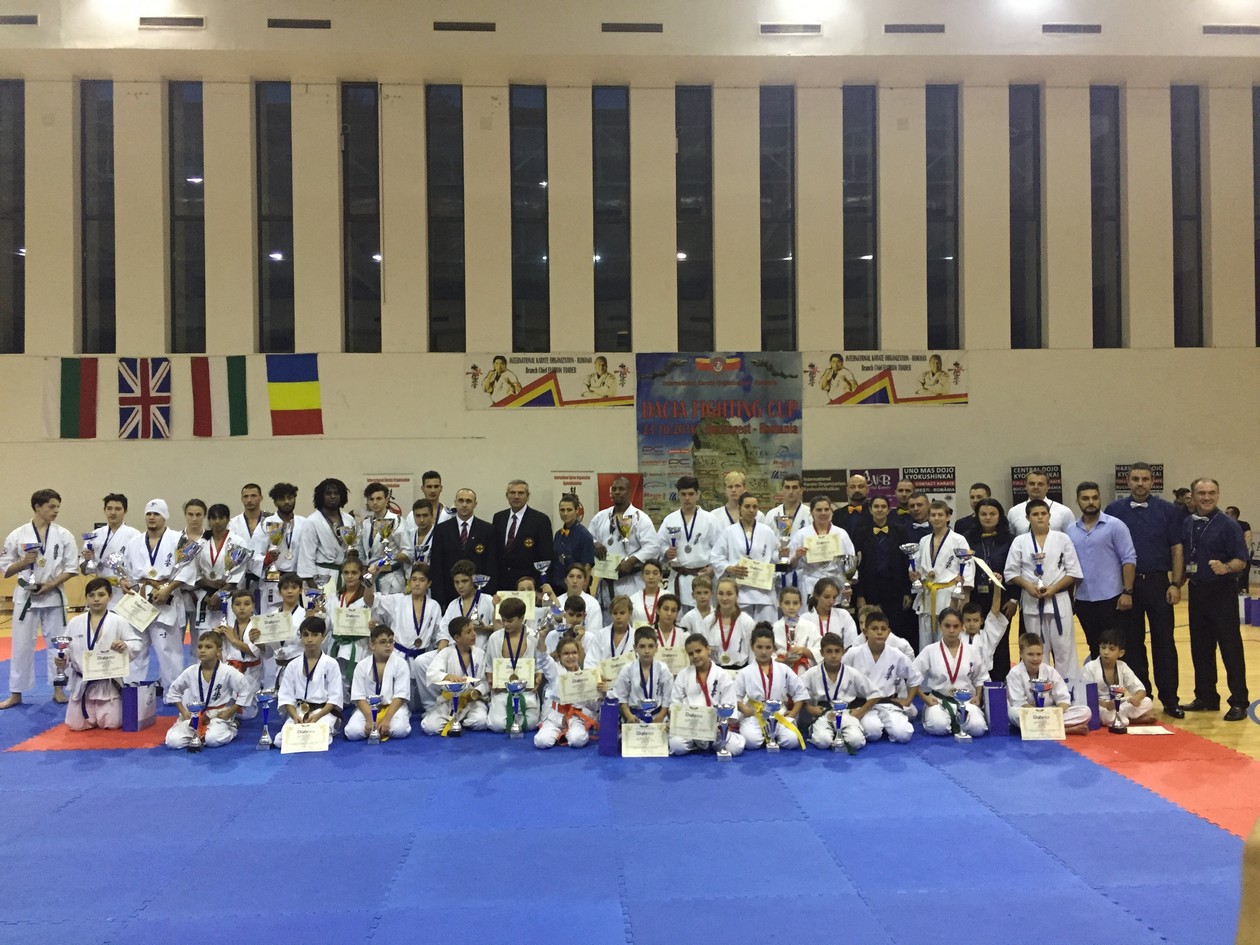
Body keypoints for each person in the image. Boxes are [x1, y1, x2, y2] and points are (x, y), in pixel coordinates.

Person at [1104, 462, 1184, 717]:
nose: (1140, 483)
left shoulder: (1169, 510)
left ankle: (1170, 699)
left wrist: (1175, 583)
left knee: (1164, 642)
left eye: (1145, 479)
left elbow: (1177, 548)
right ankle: (1143, 696)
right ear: (1128, 481)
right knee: (1133, 644)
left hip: (1159, 583)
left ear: (1153, 482)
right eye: (1136, 479)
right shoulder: (1114, 510)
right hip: (1126, 586)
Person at [0, 488, 79, 708]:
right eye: (51, 506)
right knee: (21, 646)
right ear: (37, 507)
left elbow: (72, 568)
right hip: (26, 596)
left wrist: (51, 585)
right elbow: (5, 569)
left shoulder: (64, 535)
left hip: (53, 595)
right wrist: (24, 563)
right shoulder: (17, 535)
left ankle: (58, 689)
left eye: (58, 507)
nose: (56, 511)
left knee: (59, 645)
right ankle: (16, 693)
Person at [1179, 478, 1250, 721]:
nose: (1206, 497)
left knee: (1230, 648)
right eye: (1201, 493)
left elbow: (1242, 559)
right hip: (1197, 592)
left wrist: (1226, 567)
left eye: (1211, 493)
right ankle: (1206, 697)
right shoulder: (1188, 523)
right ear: (1193, 496)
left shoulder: (1229, 525)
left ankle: (1239, 701)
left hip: (1222, 592)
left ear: (1218, 495)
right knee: (1200, 647)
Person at [1004, 499, 1083, 698]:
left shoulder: (1062, 538)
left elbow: (1073, 571)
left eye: (1043, 513)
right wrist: (1028, 586)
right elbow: (1010, 572)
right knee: (1037, 650)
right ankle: (1041, 696)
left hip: (1059, 599)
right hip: (1032, 600)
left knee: (1065, 649)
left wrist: (1054, 588)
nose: (1040, 517)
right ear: (1027, 517)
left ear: (1049, 516)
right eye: (1035, 514)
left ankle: (1068, 695)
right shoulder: (1019, 541)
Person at [121, 498, 195, 697]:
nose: (152, 517)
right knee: (135, 647)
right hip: (139, 600)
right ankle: (132, 692)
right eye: (149, 514)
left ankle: (174, 693)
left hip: (166, 598)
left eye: (156, 514)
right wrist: (123, 582)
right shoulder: (134, 542)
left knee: (169, 652)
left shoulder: (178, 539)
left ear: (165, 517)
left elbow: (188, 569)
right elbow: (126, 570)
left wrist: (168, 589)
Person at [57, 577, 142, 731]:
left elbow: (136, 643)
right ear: (86, 598)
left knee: (112, 724)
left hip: (108, 684)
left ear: (110, 596)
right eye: (91, 595)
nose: (96, 599)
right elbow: (67, 648)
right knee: (76, 726)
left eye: (101, 595)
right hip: (82, 684)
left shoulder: (118, 621)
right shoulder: (75, 622)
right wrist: (63, 658)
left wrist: (125, 645)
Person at [1068, 481, 1137, 661]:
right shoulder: (1070, 531)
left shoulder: (1116, 526)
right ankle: (1099, 680)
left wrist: (1127, 592)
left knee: (1115, 648)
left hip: (1112, 599)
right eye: (1085, 498)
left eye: (1094, 498)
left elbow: (1129, 559)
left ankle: (1118, 680)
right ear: (1077, 501)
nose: (1091, 502)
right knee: (1094, 646)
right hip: (1083, 599)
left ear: (1100, 499)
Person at [841, 611, 920, 743]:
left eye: (883, 629)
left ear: (888, 633)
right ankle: (879, 725)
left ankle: (885, 724)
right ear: (865, 632)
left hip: (888, 702)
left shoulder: (896, 654)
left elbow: (914, 678)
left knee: (903, 734)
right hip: (863, 703)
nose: (879, 632)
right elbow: (840, 676)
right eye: (874, 628)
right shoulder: (853, 653)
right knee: (873, 732)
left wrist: (908, 701)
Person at [165, 630, 249, 749]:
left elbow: (245, 691)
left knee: (212, 740)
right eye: (200, 647)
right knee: (172, 742)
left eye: (208, 647)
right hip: (195, 715)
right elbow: (174, 691)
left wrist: (230, 712)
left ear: (218, 651)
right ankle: (197, 735)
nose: (203, 650)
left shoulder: (228, 672)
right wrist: (183, 711)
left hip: (218, 715)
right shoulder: (190, 672)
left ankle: (232, 727)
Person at [913, 607, 989, 737]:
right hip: (938, 700)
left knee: (978, 728)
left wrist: (977, 696)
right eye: (947, 626)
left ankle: (959, 721)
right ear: (940, 626)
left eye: (955, 626)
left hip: (966, 700)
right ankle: (943, 719)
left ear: (961, 627)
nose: (951, 630)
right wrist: (925, 698)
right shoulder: (930, 650)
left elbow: (980, 677)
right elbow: (912, 677)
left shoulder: (971, 651)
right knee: (938, 727)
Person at [668, 633, 745, 757]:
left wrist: (719, 725)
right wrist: (680, 722)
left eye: (698, 651)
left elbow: (729, 707)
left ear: (708, 649)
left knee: (736, 747)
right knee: (677, 746)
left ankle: (709, 744)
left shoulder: (722, 675)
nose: (695, 656)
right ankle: (698, 744)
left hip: (715, 729)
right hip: (690, 729)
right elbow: (675, 705)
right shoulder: (683, 675)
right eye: (691, 653)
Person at [734, 623, 809, 750]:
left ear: (773, 648)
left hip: (779, 713)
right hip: (755, 714)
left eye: (768, 647)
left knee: (792, 741)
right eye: (759, 647)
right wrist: (745, 710)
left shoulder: (783, 669)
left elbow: (800, 693)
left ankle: (770, 736)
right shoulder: (745, 672)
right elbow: (736, 696)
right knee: (751, 741)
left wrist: (792, 714)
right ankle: (766, 736)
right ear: (752, 647)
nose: (763, 652)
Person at [852, 495, 915, 646]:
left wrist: (907, 591)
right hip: (870, 590)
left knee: (896, 630)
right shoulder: (860, 533)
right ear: (870, 510)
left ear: (888, 510)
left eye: (883, 507)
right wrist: (859, 595)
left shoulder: (900, 532)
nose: (879, 510)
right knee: (870, 629)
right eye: (876, 506)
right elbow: (856, 566)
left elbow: (907, 563)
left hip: (895, 591)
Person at [912, 500, 973, 652]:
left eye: (940, 515)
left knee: (947, 639)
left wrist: (965, 598)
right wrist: (914, 574)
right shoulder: (924, 541)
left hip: (948, 595)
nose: (937, 518)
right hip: (927, 595)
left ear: (948, 517)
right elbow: (917, 565)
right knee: (925, 644)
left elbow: (967, 567)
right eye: (933, 515)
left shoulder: (958, 539)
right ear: (929, 517)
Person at [799, 632, 873, 751]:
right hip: (823, 714)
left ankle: (841, 736)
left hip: (846, 713)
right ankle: (823, 733)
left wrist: (861, 711)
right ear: (821, 653)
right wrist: (809, 708)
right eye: (829, 651)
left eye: (837, 651)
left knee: (856, 741)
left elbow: (875, 694)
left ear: (843, 652)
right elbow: (796, 692)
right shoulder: (812, 673)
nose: (833, 655)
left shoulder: (852, 673)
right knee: (823, 742)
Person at [276, 617, 344, 746]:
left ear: (323, 636)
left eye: (315, 635)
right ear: (301, 637)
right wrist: (294, 716)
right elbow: (286, 696)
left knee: (319, 738)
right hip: (299, 712)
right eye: (305, 635)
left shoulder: (331, 664)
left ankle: (329, 726)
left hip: (323, 712)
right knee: (280, 741)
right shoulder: (293, 665)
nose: (310, 639)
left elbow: (335, 698)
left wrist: (318, 716)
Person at [713, 492, 778, 624]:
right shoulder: (729, 532)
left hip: (764, 592)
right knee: (741, 629)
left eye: (755, 507)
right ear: (739, 508)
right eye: (747, 506)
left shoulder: (767, 531)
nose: (751, 510)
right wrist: (729, 568)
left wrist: (782, 554)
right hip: (740, 592)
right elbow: (716, 557)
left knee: (766, 630)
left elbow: (774, 557)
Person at [1006, 633, 1090, 734]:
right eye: (1030, 654)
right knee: (1013, 714)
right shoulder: (1014, 673)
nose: (1035, 658)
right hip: (1029, 713)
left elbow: (1063, 699)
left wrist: (1052, 713)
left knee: (1085, 711)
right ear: (1021, 654)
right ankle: (1065, 730)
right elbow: (1019, 703)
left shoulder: (1050, 671)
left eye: (1039, 654)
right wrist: (1041, 715)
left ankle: (1040, 728)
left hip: (1050, 712)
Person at [590, 476, 658, 600]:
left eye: (621, 489)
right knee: (607, 611)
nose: (617, 492)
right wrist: (595, 544)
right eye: (614, 489)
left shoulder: (640, 518)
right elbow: (588, 537)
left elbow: (653, 546)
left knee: (629, 610)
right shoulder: (600, 517)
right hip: (605, 579)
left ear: (629, 492)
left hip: (630, 581)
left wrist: (632, 561)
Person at [656, 476, 717, 610]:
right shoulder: (670, 519)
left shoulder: (710, 519)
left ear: (697, 494)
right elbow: (659, 544)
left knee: (703, 617)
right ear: (678, 495)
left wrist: (713, 569)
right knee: (678, 617)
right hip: (678, 577)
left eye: (691, 494)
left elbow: (719, 549)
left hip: (702, 579)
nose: (687, 498)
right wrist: (665, 552)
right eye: (683, 494)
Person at [428, 487, 495, 607]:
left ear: (475, 504)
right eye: (461, 500)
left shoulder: (487, 530)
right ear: (455, 503)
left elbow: (491, 565)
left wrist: (489, 595)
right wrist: (439, 598)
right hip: (449, 593)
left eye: (468, 501)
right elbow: (437, 566)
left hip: (479, 593)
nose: (464, 505)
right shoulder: (442, 530)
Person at [422, 616, 490, 735]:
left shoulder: (480, 654)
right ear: (457, 637)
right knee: (429, 727)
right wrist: (448, 676)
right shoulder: (446, 653)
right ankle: (456, 721)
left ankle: (458, 722)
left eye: (473, 630)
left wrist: (477, 692)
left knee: (481, 721)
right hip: (449, 700)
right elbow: (432, 672)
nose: (474, 634)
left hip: (472, 701)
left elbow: (485, 682)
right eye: (468, 632)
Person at [485, 597, 543, 733]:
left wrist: (538, 677)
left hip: (526, 691)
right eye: (503, 620)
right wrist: (490, 679)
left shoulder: (533, 638)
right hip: (502, 691)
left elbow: (539, 665)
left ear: (522, 618)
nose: (506, 624)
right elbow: (489, 666)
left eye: (510, 621)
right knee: (497, 725)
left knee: (531, 724)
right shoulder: (494, 638)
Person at [191, 503, 250, 633]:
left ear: (228, 519)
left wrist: (219, 594)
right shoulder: (201, 542)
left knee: (228, 635)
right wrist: (208, 583)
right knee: (206, 637)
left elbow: (239, 573)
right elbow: (194, 571)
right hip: (206, 596)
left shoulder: (237, 542)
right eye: (213, 518)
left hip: (229, 594)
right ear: (209, 520)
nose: (217, 522)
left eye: (221, 518)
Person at [346, 625, 412, 740]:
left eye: (391, 641)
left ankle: (382, 728)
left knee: (399, 730)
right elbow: (359, 697)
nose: (388, 645)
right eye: (383, 642)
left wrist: (386, 720)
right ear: (372, 645)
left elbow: (400, 696)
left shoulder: (401, 664)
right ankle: (378, 729)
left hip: (392, 707)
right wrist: (370, 720)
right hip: (368, 708)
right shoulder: (362, 666)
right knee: (352, 732)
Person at [1081, 628, 1155, 730]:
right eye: (1103, 648)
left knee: (1147, 702)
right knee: (1112, 717)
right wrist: (1105, 704)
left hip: (1117, 704)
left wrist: (1137, 698)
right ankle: (1132, 720)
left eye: (1111, 649)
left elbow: (1140, 689)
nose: (1106, 652)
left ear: (1121, 653)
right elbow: (1085, 697)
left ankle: (1121, 717)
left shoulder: (1122, 666)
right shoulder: (1090, 668)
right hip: (1098, 706)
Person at [789, 495, 857, 603]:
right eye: (819, 510)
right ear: (811, 512)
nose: (823, 513)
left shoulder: (841, 534)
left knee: (834, 612)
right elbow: (791, 565)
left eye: (826, 509)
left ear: (831, 511)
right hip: (810, 583)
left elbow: (850, 564)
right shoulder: (801, 534)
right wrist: (797, 556)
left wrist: (848, 586)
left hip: (835, 584)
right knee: (811, 612)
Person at [534, 633, 597, 749]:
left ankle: (570, 733)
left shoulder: (585, 676)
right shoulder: (554, 670)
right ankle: (560, 733)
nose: (571, 656)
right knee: (541, 742)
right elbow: (543, 658)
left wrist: (600, 693)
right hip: (555, 716)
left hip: (575, 716)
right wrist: (541, 638)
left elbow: (592, 705)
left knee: (577, 740)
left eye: (574, 653)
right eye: (566, 653)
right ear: (559, 656)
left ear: (579, 654)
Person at [491, 479, 553, 594]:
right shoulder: (499, 518)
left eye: (520, 493)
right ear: (507, 495)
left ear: (527, 496)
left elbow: (546, 556)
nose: (516, 496)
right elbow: (495, 553)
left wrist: (541, 587)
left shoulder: (540, 520)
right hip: (503, 583)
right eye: (512, 493)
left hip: (528, 584)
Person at [80, 493, 141, 605]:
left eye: (118, 509)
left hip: (125, 589)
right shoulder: (94, 535)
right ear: (104, 510)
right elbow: (84, 571)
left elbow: (138, 567)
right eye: (109, 508)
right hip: (101, 590)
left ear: (125, 511)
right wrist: (88, 560)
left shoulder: (134, 535)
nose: (113, 512)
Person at [295, 478, 355, 591]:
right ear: (321, 496)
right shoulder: (312, 521)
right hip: (321, 576)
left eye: (336, 493)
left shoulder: (349, 520)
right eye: (328, 493)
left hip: (346, 575)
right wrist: (315, 589)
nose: (333, 496)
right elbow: (306, 557)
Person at [371, 562, 442, 655]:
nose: (417, 584)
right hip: (398, 655)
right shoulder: (398, 600)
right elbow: (371, 600)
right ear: (409, 581)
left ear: (429, 584)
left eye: (422, 580)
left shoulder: (434, 606)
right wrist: (371, 580)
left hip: (422, 656)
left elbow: (438, 635)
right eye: (414, 579)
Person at [260, 483, 308, 616]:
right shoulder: (266, 523)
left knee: (298, 619)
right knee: (273, 620)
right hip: (274, 579)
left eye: (290, 498)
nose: (287, 502)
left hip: (298, 579)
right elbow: (254, 554)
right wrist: (267, 559)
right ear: (275, 502)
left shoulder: (304, 523)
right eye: (282, 499)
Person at [218, 587, 263, 718]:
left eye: (247, 604)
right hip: (231, 670)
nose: (242, 608)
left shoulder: (257, 626)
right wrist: (216, 635)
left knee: (248, 715)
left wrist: (233, 639)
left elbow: (255, 652)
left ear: (253, 606)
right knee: (226, 709)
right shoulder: (228, 627)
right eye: (237, 604)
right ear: (232, 608)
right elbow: (220, 651)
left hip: (250, 672)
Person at [613, 627, 674, 724]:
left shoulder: (663, 669)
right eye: (642, 646)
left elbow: (667, 697)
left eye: (651, 646)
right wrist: (629, 715)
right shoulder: (627, 669)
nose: (647, 651)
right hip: (635, 717)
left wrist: (661, 716)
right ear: (635, 648)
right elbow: (621, 696)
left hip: (658, 716)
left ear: (656, 647)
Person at [359, 482, 406, 594]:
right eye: (371, 499)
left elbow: (408, 552)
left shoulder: (397, 521)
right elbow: (363, 553)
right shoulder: (366, 523)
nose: (375, 502)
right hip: (372, 576)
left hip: (392, 577)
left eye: (379, 498)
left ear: (387, 500)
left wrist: (391, 556)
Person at [702, 577, 755, 668]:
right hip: (715, 670)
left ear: (737, 595)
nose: (724, 598)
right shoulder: (708, 621)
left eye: (729, 594)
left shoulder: (747, 622)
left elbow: (752, 655)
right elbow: (703, 651)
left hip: (740, 671)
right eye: (721, 593)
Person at [549, 493, 595, 590]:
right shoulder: (558, 534)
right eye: (562, 510)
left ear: (577, 510)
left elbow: (587, 567)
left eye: (569, 510)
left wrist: (581, 592)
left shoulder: (584, 535)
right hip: (558, 586)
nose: (565, 513)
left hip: (575, 587)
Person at [228, 482, 269, 588]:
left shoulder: (271, 521)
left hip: (265, 574)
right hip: (239, 576)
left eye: (253, 496)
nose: (249, 500)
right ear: (242, 499)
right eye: (246, 496)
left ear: (261, 498)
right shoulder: (232, 523)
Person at [1008, 469, 1073, 535]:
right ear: (1026, 486)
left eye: (1040, 484)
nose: (1036, 487)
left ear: (1048, 487)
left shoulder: (1064, 512)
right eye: (1032, 484)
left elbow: (1070, 538)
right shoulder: (1013, 512)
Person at [585, 594, 636, 677]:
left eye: (622, 613)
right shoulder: (601, 634)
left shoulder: (636, 636)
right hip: (604, 682)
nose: (618, 617)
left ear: (630, 613)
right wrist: (597, 678)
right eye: (615, 613)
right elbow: (591, 662)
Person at [773, 585, 820, 674]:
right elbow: (769, 656)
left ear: (801, 605)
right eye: (787, 603)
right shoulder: (773, 628)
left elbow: (820, 651)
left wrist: (803, 650)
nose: (791, 607)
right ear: (780, 604)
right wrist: (785, 661)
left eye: (795, 603)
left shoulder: (810, 627)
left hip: (805, 672)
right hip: (780, 671)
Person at [765, 473, 810, 544]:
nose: (791, 491)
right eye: (787, 487)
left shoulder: (809, 514)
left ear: (801, 490)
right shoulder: (771, 514)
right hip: (778, 551)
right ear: (782, 490)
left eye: (794, 487)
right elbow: (766, 540)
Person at [557, 562, 601, 633]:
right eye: (571, 576)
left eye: (579, 577)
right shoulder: (557, 601)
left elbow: (594, 633)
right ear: (565, 580)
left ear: (585, 581)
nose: (575, 581)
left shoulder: (592, 604)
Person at [399, 499, 437, 579]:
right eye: (418, 516)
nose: (421, 520)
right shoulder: (408, 535)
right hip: (410, 581)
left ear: (432, 516)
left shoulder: (439, 535)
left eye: (425, 515)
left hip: (432, 580)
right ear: (413, 516)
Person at [1225, 506, 1253, 595]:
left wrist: (1242, 552)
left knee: (1243, 568)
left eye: (1227, 513)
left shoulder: (1244, 525)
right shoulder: (1223, 525)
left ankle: (1242, 589)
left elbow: (1248, 539)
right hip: (1227, 554)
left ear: (1234, 515)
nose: (1224, 514)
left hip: (1240, 553)